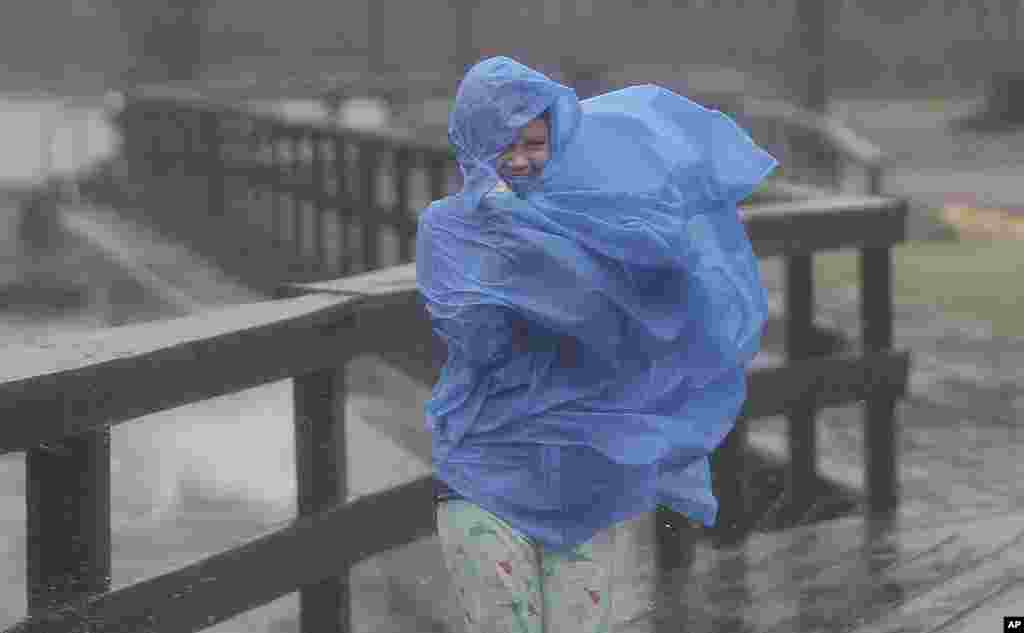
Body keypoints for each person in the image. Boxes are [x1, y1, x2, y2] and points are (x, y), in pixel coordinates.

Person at [416, 56, 776, 633]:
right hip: (484, 467)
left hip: (582, 473)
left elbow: (651, 306)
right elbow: (476, 335)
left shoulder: (599, 219)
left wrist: (670, 234)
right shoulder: (448, 226)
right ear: (472, 143)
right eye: (501, 143)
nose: (519, 159)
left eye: (534, 143)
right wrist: (519, 238)